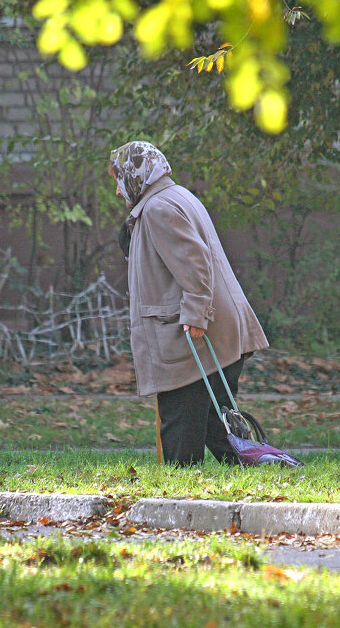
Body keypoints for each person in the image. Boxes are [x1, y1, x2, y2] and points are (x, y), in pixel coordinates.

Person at [108, 141, 269, 465]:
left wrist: (197, 315)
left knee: (182, 428)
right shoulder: (173, 197)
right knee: (219, 428)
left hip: (193, 340)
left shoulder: (159, 208)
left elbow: (195, 264)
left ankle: (177, 495)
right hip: (213, 336)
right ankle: (270, 473)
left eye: (118, 179)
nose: (116, 190)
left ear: (135, 174)